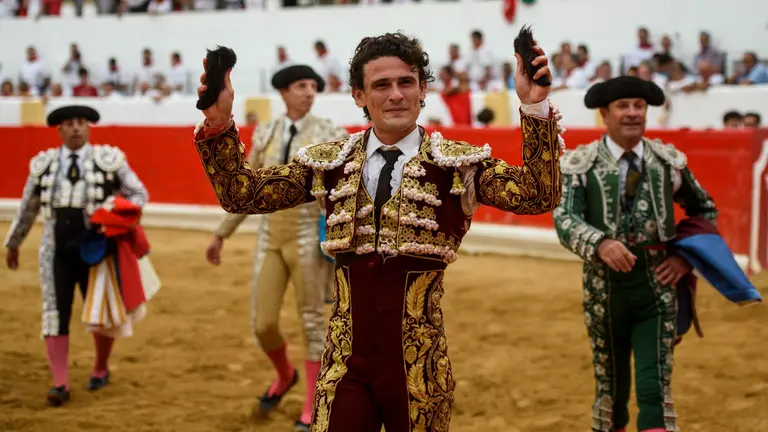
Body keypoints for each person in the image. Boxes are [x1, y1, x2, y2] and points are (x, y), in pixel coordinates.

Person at [192, 31, 564, 432]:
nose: (396, 95)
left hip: (418, 369)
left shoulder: (458, 165)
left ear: (423, 89)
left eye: (406, 82)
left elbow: (537, 194)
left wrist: (534, 106)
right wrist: (218, 122)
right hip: (344, 365)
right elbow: (242, 194)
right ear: (358, 96)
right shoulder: (331, 163)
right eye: (381, 85)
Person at [552, 76, 718, 432]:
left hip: (656, 288)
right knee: (611, 390)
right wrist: (600, 243)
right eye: (623, 106)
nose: (632, 114)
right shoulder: (581, 164)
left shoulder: (667, 162)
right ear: (604, 114)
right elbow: (565, 218)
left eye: (638, 106)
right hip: (604, 292)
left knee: (654, 387)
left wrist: (684, 258)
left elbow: (704, 209)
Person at [204, 64, 348, 431]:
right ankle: (285, 375)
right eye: (301, 85)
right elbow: (246, 188)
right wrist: (222, 233)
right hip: (271, 237)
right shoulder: (267, 131)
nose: (309, 92)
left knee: (314, 323)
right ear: (284, 92)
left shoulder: (331, 133)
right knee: (263, 324)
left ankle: (312, 405)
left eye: (313, 86)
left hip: (307, 237)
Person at [3, 105, 149, 406]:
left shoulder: (108, 159)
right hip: (56, 250)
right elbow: (28, 208)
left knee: (101, 310)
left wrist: (112, 212)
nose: (76, 128)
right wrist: (13, 242)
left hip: (97, 248)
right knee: (55, 312)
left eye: (81, 122)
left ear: (89, 126)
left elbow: (138, 194)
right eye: (69, 124)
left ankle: (100, 368)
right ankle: (60, 383)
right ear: (59, 129)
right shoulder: (44, 164)